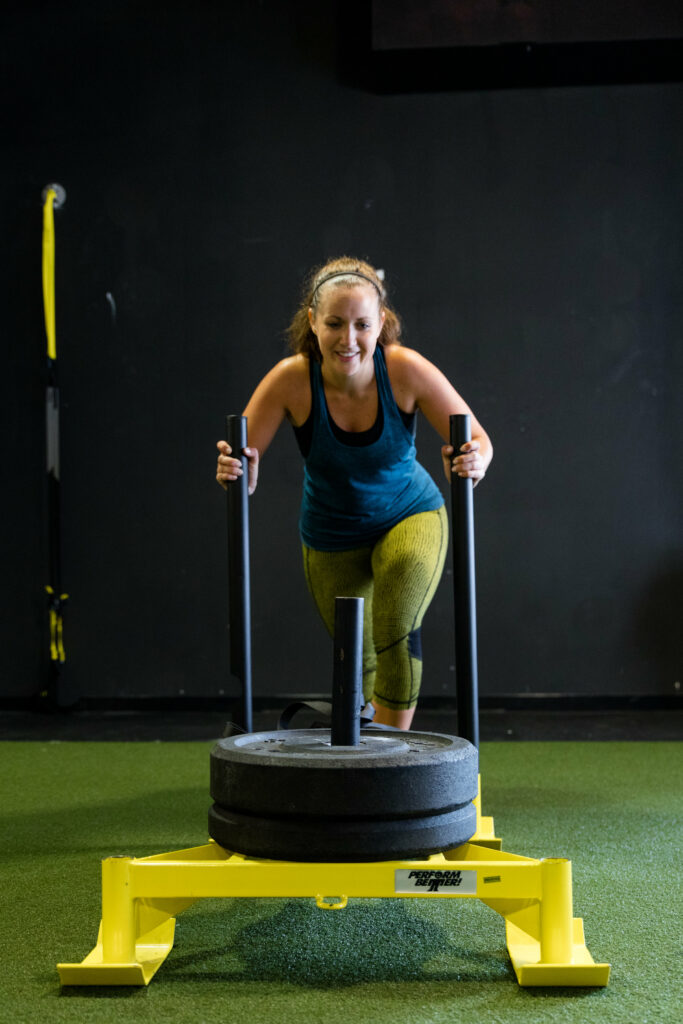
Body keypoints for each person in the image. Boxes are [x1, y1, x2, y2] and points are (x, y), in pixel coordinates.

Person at [216, 257, 492, 730]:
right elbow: (243, 461)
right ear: (312, 322)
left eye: (363, 325)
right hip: (331, 534)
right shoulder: (291, 379)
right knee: (357, 658)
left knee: (395, 624)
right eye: (335, 324)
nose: (348, 340)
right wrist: (234, 468)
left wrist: (474, 459)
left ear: (380, 322)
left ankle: (392, 761)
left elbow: (480, 442)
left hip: (409, 513)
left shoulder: (404, 369)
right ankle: (363, 760)